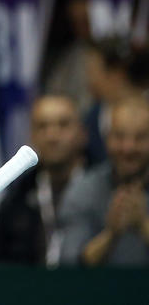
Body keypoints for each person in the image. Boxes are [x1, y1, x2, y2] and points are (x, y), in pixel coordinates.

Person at [0, 95, 87, 266]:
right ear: (32, 136)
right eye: (43, 126)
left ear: (83, 133)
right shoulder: (16, 198)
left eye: (63, 125)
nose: (52, 136)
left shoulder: (105, 190)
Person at [58, 97, 149, 266]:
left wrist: (143, 224)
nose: (128, 148)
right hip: (97, 292)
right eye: (119, 137)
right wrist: (111, 233)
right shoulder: (84, 190)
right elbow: (69, 266)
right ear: (106, 139)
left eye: (140, 137)